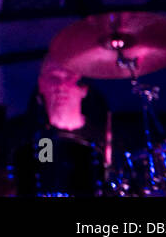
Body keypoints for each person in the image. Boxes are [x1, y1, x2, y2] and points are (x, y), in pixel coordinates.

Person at [7, 57, 110, 196]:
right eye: (53, 77)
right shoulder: (37, 139)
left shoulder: (107, 137)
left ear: (84, 88)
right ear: (41, 85)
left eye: (69, 77)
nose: (61, 86)